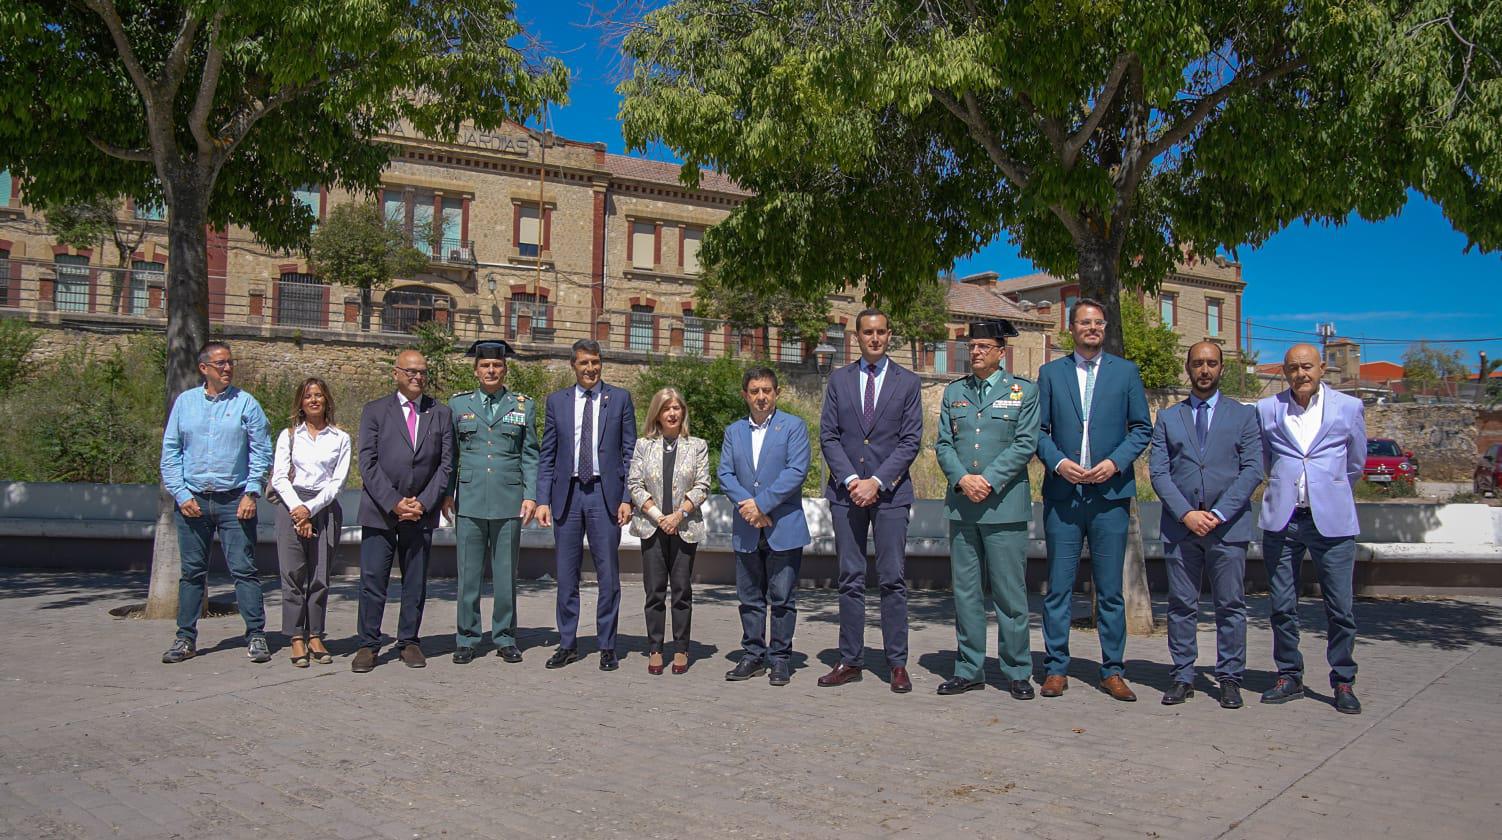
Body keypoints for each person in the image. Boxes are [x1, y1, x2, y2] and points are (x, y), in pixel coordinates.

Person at [1035, 297, 1151, 701]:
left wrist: (1115, 463)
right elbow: (1038, 431)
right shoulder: (1050, 373)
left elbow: (1141, 429)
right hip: (1064, 495)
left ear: (1104, 328)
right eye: (1084, 322)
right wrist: (1059, 463)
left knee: (1110, 590)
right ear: (1072, 328)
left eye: (1098, 323)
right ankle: (1055, 668)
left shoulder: (1126, 372)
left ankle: (1113, 670)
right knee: (1059, 589)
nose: (1092, 329)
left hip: (1109, 495)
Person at [1149, 342, 1263, 708]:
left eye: (1212, 363)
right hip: (1181, 527)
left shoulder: (1244, 416)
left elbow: (1252, 470)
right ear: (1187, 367)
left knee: (1230, 605)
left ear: (1222, 369)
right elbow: (1159, 472)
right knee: (1182, 605)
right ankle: (1183, 675)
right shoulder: (1169, 417)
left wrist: (1218, 513)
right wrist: (1186, 513)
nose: (1204, 370)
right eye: (1198, 363)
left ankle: (1229, 676)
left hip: (1227, 528)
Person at [817, 309, 923, 693]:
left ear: (889, 335)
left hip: (891, 494)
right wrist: (850, 480)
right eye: (867, 333)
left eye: (880, 332)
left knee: (893, 579)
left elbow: (911, 440)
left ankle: (897, 663)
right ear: (856, 336)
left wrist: (876, 481)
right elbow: (829, 435)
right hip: (846, 495)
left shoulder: (908, 382)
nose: (874, 338)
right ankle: (850, 659)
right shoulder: (840, 380)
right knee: (850, 578)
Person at [1257, 343, 1367, 714]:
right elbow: (1265, 461)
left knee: (1339, 607)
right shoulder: (1267, 409)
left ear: (1321, 368)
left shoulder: (1348, 408)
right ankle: (1289, 676)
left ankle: (1343, 681)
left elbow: (1355, 463)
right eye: (1292, 368)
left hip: (1331, 522)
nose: (1300, 374)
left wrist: (1328, 492)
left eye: (1306, 366)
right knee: (1282, 605)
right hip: (1283, 521)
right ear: (1284, 372)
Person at [933, 320, 1039, 700]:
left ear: (999, 351)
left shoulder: (1023, 391)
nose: (975, 352)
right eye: (972, 346)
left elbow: (1025, 443)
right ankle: (969, 668)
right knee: (966, 594)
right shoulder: (954, 392)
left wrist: (988, 480)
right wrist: (963, 480)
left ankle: (1016, 670)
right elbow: (943, 444)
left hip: (1004, 507)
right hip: (963, 507)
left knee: (1011, 596)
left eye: (982, 346)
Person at [159, 341, 274, 664]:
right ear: (204, 368)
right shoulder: (185, 403)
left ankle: (256, 635)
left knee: (244, 570)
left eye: (230, 363)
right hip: (193, 501)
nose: (227, 368)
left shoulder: (246, 404)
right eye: (220, 363)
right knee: (192, 573)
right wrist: (181, 495)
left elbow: (261, 451)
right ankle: (185, 638)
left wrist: (252, 492)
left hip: (235, 501)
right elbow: (171, 452)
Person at [535, 339, 637, 671]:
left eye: (595, 361)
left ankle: (608, 644)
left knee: (608, 575)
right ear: (573, 365)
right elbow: (547, 454)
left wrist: (626, 498)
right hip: (567, 496)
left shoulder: (619, 399)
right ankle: (568, 643)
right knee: (566, 575)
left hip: (605, 497)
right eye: (584, 363)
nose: (590, 368)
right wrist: (542, 500)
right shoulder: (557, 402)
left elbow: (630, 452)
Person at [352, 350, 454, 673]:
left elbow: (447, 464)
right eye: (410, 371)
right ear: (396, 373)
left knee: (415, 580)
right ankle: (368, 644)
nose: (417, 377)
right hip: (381, 512)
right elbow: (367, 463)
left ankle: (409, 640)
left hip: (421, 512)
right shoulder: (375, 411)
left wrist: (423, 502)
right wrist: (394, 502)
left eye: (422, 372)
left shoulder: (441, 413)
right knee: (373, 579)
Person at [442, 340, 538, 665]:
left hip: (508, 499)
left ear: (505, 369)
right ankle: (467, 638)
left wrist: (531, 495)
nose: (491, 371)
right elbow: (451, 455)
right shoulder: (457, 406)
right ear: (476, 370)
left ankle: (505, 636)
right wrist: (446, 493)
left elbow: (530, 454)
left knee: (505, 574)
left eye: (497, 366)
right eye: (485, 366)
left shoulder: (523, 406)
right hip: (468, 499)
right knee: (468, 575)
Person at [719, 368, 811, 686]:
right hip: (747, 528)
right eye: (755, 391)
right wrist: (749, 507)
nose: (761, 397)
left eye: (767, 391)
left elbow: (796, 471)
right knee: (749, 597)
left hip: (782, 525)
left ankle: (780, 658)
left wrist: (761, 505)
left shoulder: (794, 427)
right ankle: (753, 655)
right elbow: (725, 475)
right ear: (745, 394)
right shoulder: (733, 432)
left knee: (782, 597)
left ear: (777, 393)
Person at [626, 388, 711, 674]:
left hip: (684, 526)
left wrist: (678, 515)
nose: (673, 413)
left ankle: (681, 648)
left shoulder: (697, 445)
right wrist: (659, 516)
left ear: (683, 412)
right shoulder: (643, 445)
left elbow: (702, 486)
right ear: (657, 414)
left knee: (682, 590)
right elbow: (635, 485)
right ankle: (655, 647)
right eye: (666, 408)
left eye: (677, 408)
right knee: (654, 591)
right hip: (652, 526)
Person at [270, 377, 351, 668]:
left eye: (319, 395)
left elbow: (338, 482)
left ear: (327, 400)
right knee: (292, 574)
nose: (314, 400)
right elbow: (279, 476)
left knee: (320, 575)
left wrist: (311, 509)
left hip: (325, 506)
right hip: (291, 503)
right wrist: (298, 509)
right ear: (300, 403)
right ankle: (295, 637)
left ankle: (315, 633)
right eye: (308, 396)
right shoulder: (289, 435)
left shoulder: (340, 438)